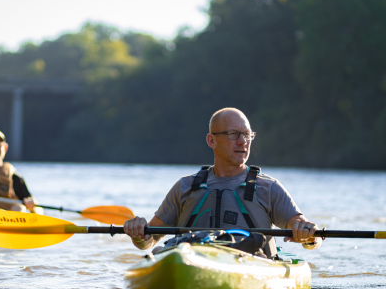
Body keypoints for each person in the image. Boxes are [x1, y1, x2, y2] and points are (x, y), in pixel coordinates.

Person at [123, 108, 322, 257]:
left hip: (250, 265)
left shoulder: (268, 188)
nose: (243, 142)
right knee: (158, 250)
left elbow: (305, 228)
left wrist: (309, 236)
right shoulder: (185, 187)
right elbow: (149, 240)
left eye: (246, 135)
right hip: (192, 263)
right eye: (233, 134)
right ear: (211, 141)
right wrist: (139, 234)